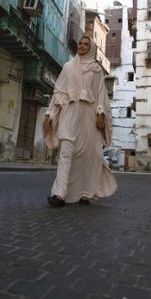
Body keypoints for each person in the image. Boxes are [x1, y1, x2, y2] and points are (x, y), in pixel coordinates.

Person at [43, 35, 117, 207]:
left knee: (87, 155)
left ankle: (86, 193)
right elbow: (59, 92)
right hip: (69, 112)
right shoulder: (68, 67)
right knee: (66, 152)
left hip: (88, 116)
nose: (82, 46)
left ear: (91, 48)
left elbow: (100, 94)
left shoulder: (96, 70)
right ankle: (59, 194)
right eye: (80, 43)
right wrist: (51, 114)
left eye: (86, 44)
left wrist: (100, 114)